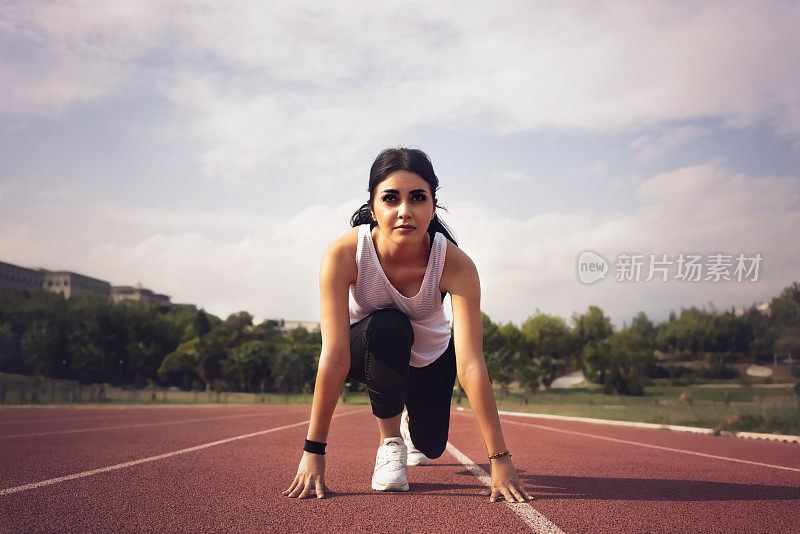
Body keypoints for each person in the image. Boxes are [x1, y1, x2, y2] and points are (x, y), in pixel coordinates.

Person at [283, 147, 532, 503]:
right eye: (390, 199)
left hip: (430, 357)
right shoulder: (344, 254)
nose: (404, 211)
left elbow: (472, 363)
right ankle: (390, 442)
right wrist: (313, 451)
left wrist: (500, 458)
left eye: (417, 198)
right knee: (390, 325)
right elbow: (335, 356)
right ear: (373, 208)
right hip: (368, 351)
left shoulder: (456, 265)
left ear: (432, 206)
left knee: (432, 446)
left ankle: (411, 424)